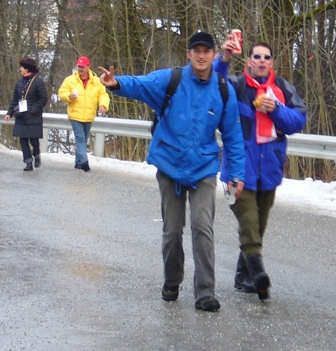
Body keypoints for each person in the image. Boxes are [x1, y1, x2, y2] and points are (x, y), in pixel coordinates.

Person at [98, 31, 246, 313]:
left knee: (203, 226)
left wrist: (235, 174)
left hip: (203, 167)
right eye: (196, 50)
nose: (201, 55)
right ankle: (172, 280)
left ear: (214, 55)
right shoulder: (173, 79)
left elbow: (234, 136)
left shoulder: (223, 91)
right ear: (189, 54)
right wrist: (116, 83)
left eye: (207, 51)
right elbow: (141, 85)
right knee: (172, 230)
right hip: (170, 165)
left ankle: (205, 292)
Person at [214, 38, 307, 300]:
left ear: (272, 62)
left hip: (269, 170)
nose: (262, 61)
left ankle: (242, 275)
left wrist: (276, 109)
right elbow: (214, 84)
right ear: (249, 61)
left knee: (258, 225)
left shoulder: (282, 89)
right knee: (249, 221)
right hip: (238, 169)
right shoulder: (236, 85)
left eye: (267, 57)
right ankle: (258, 272)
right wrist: (223, 58)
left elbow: (298, 120)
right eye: (257, 57)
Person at [58, 56, 110, 171]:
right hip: (75, 114)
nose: (80, 69)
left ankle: (78, 162)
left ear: (88, 67)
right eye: (79, 66)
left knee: (83, 138)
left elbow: (103, 94)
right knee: (80, 138)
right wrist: (68, 96)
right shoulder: (70, 80)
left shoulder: (96, 81)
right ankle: (85, 162)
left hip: (89, 115)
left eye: (82, 67)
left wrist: (103, 105)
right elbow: (62, 92)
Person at [5, 58, 48, 171]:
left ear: (27, 69)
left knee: (34, 140)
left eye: (22, 67)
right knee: (23, 140)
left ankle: (37, 154)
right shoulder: (19, 82)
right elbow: (15, 99)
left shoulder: (38, 82)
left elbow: (43, 98)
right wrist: (10, 113)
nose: (20, 69)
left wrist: (33, 109)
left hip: (33, 116)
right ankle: (28, 162)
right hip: (21, 116)